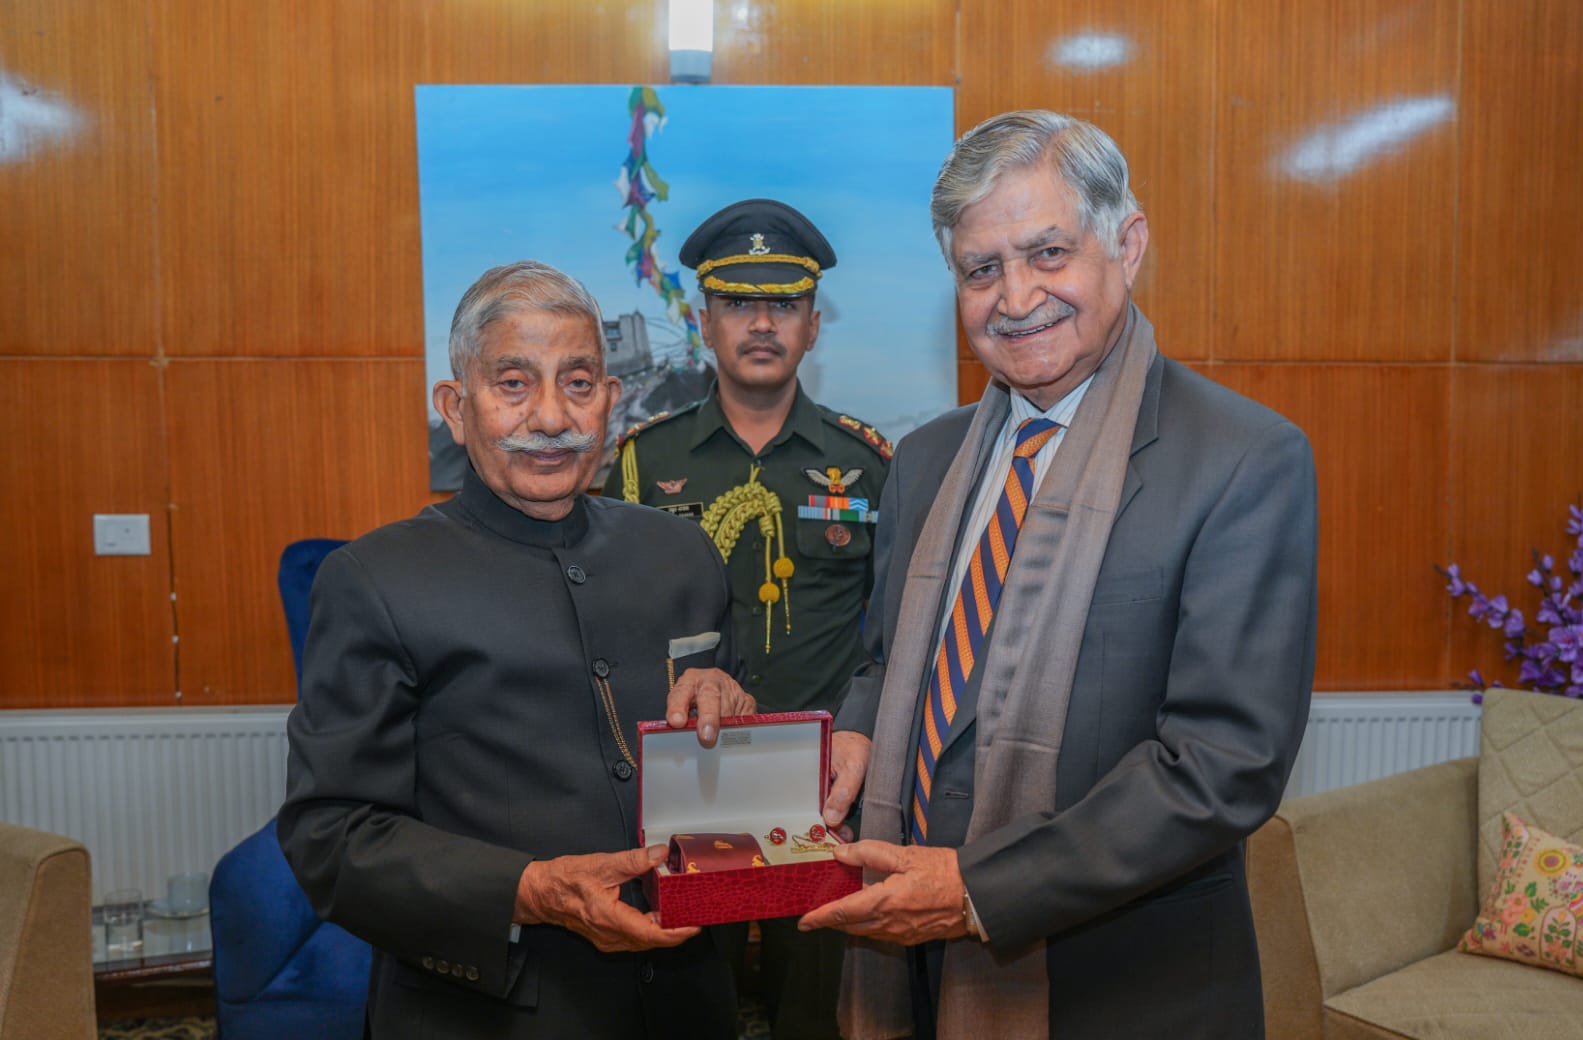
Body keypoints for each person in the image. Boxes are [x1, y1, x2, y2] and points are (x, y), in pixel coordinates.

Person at [798, 110, 1319, 1039]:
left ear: (1126, 243)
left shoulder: (1244, 459)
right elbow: (883, 662)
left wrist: (976, 891)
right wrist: (855, 732)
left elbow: (1220, 768)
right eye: (981, 269)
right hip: (906, 967)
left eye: (1047, 252)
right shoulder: (924, 459)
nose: (1016, 296)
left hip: (1121, 989)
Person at [278, 260, 756, 1039]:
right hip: (487, 1011)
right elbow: (330, 837)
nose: (550, 415)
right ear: (454, 407)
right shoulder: (373, 578)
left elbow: (721, 780)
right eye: (511, 383)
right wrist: (529, 891)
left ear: (610, 400)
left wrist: (738, 720)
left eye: (576, 383)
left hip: (686, 998)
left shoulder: (683, 554)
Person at [603, 198, 893, 1040]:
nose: (760, 324)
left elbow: (894, 630)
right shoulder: (641, 461)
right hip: (691, 780)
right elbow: (616, 624)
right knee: (691, 997)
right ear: (704, 320)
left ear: (811, 323)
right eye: (737, 302)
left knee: (818, 1004)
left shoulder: (865, 462)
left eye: (784, 305)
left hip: (824, 784)